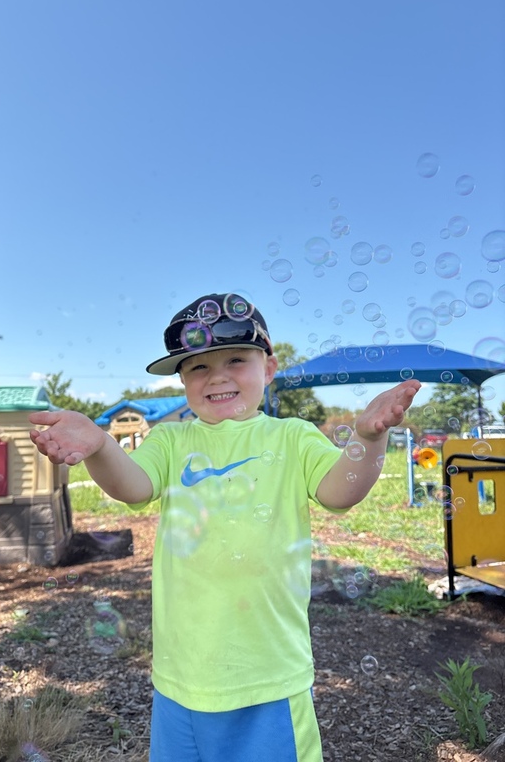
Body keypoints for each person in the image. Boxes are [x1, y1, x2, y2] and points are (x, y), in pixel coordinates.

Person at [29, 292, 421, 762]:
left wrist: (368, 438)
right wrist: (100, 447)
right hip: (181, 678)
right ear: (182, 381)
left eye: (235, 359)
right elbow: (132, 485)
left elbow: (341, 491)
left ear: (269, 369)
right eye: (197, 367)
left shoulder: (291, 435)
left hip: (268, 677)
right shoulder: (171, 439)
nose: (216, 376)